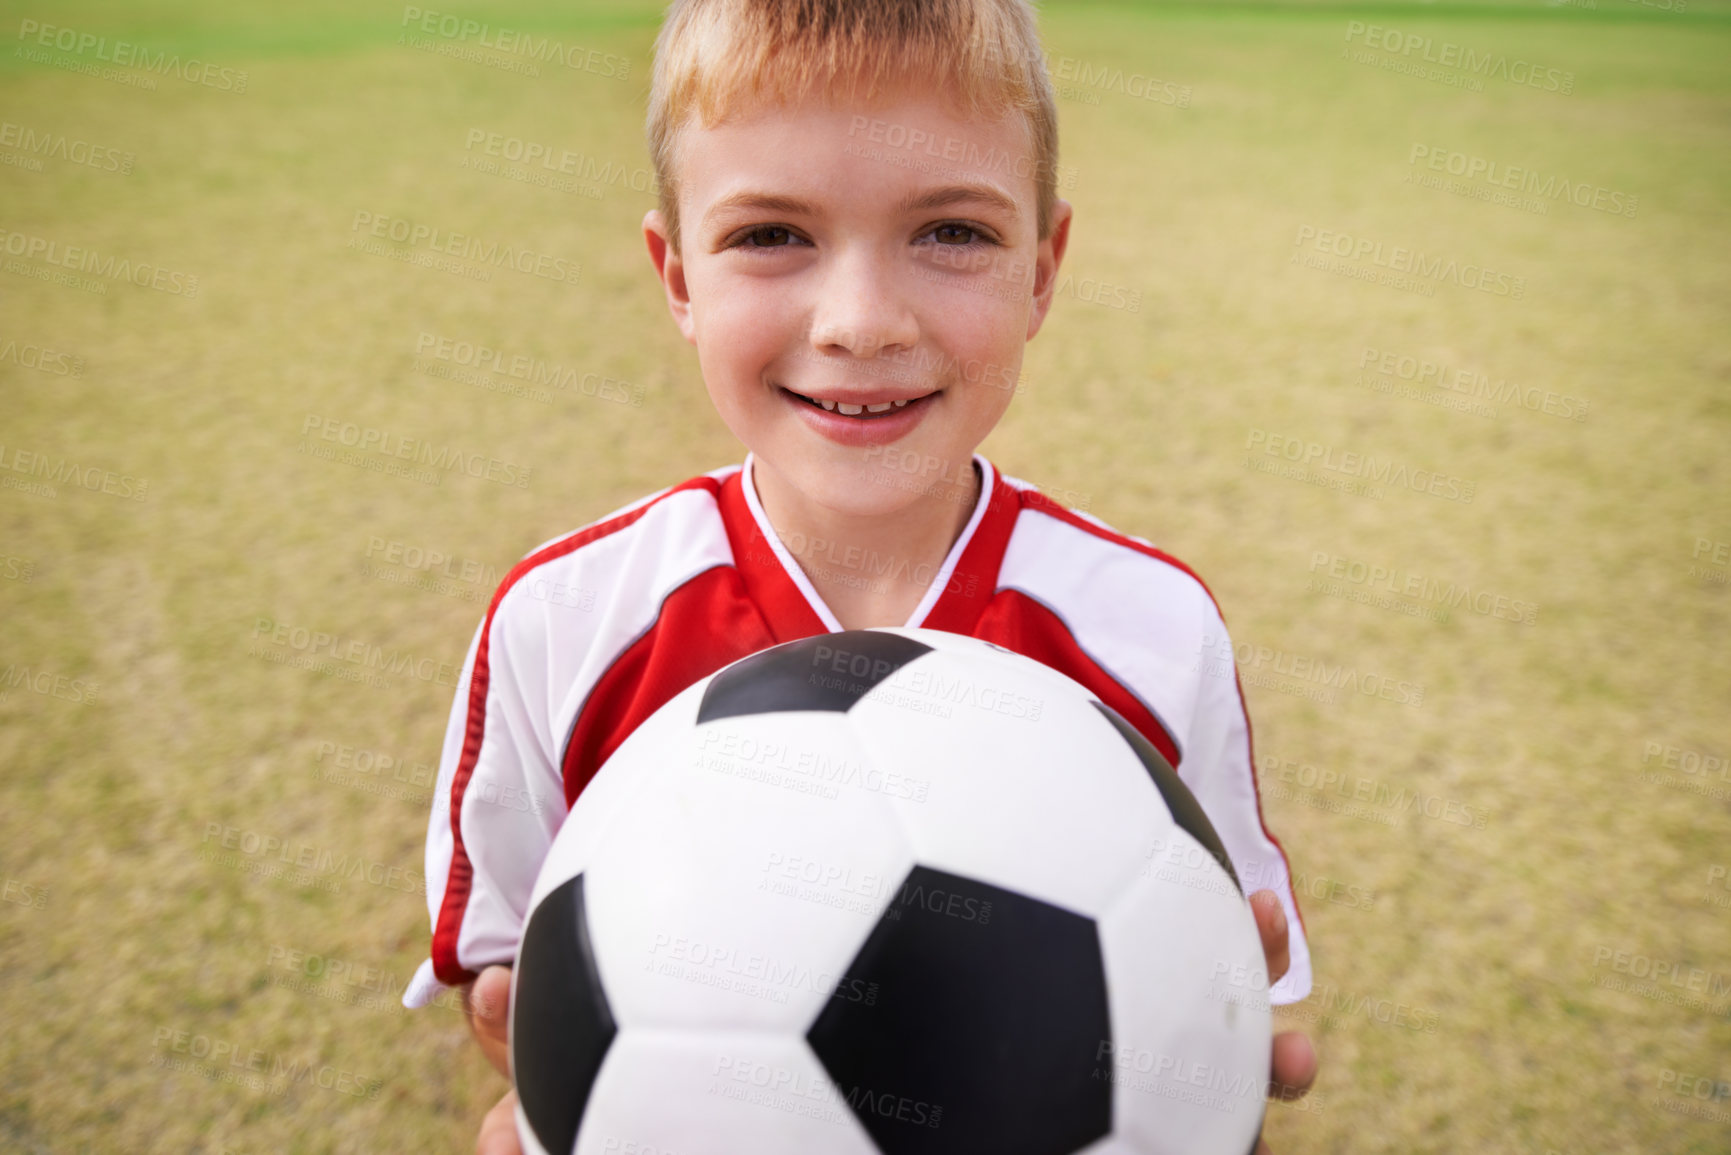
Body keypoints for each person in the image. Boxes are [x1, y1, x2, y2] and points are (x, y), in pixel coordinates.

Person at [402, 1, 1318, 1150]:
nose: (862, 322)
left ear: (1043, 270)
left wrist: (1208, 1063)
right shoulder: (562, 624)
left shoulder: (1150, 630)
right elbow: (509, 999)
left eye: (952, 234)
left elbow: (1232, 981)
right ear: (677, 275)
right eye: (771, 235)